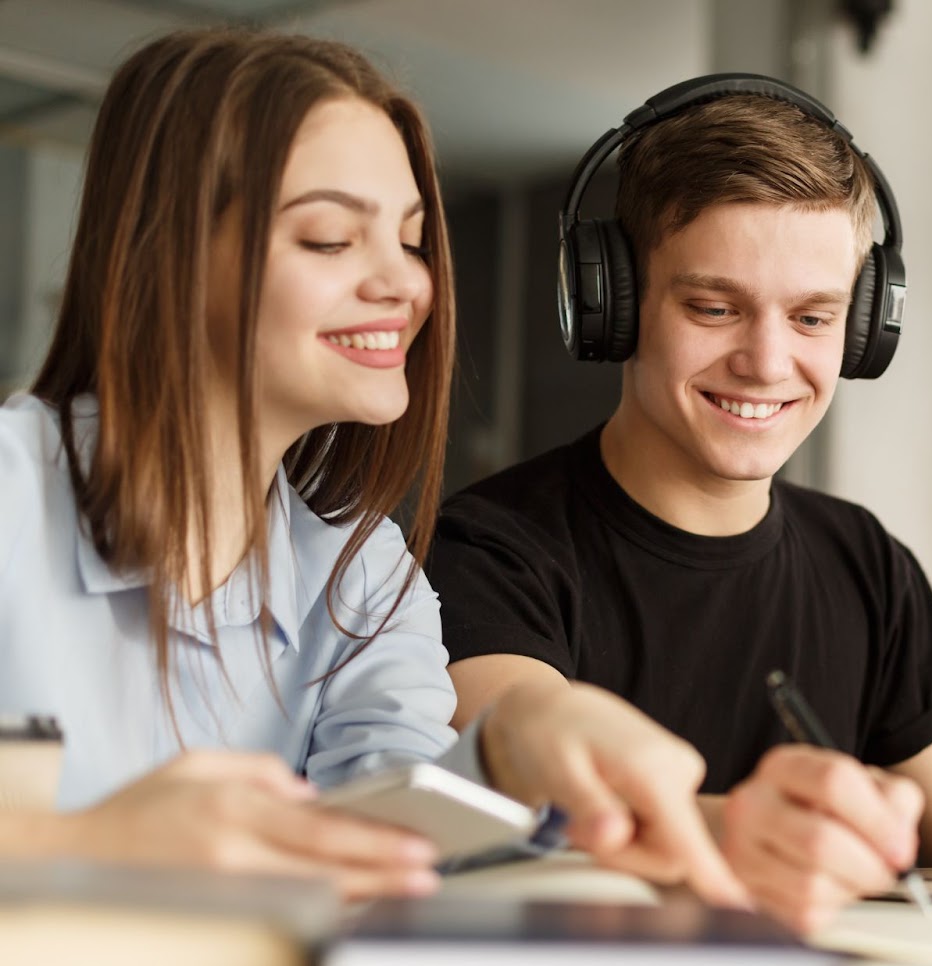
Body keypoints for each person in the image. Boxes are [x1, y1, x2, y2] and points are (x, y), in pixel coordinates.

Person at [0, 28, 742, 905]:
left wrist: (514, 750)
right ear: (165, 251)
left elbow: (396, 840)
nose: (405, 284)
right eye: (328, 240)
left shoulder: (364, 576)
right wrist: (94, 843)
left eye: (414, 239)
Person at [426, 75, 932, 933]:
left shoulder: (866, 563)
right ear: (612, 304)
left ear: (862, 331)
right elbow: (527, 801)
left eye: (811, 318)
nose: (765, 361)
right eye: (715, 307)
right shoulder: (486, 552)